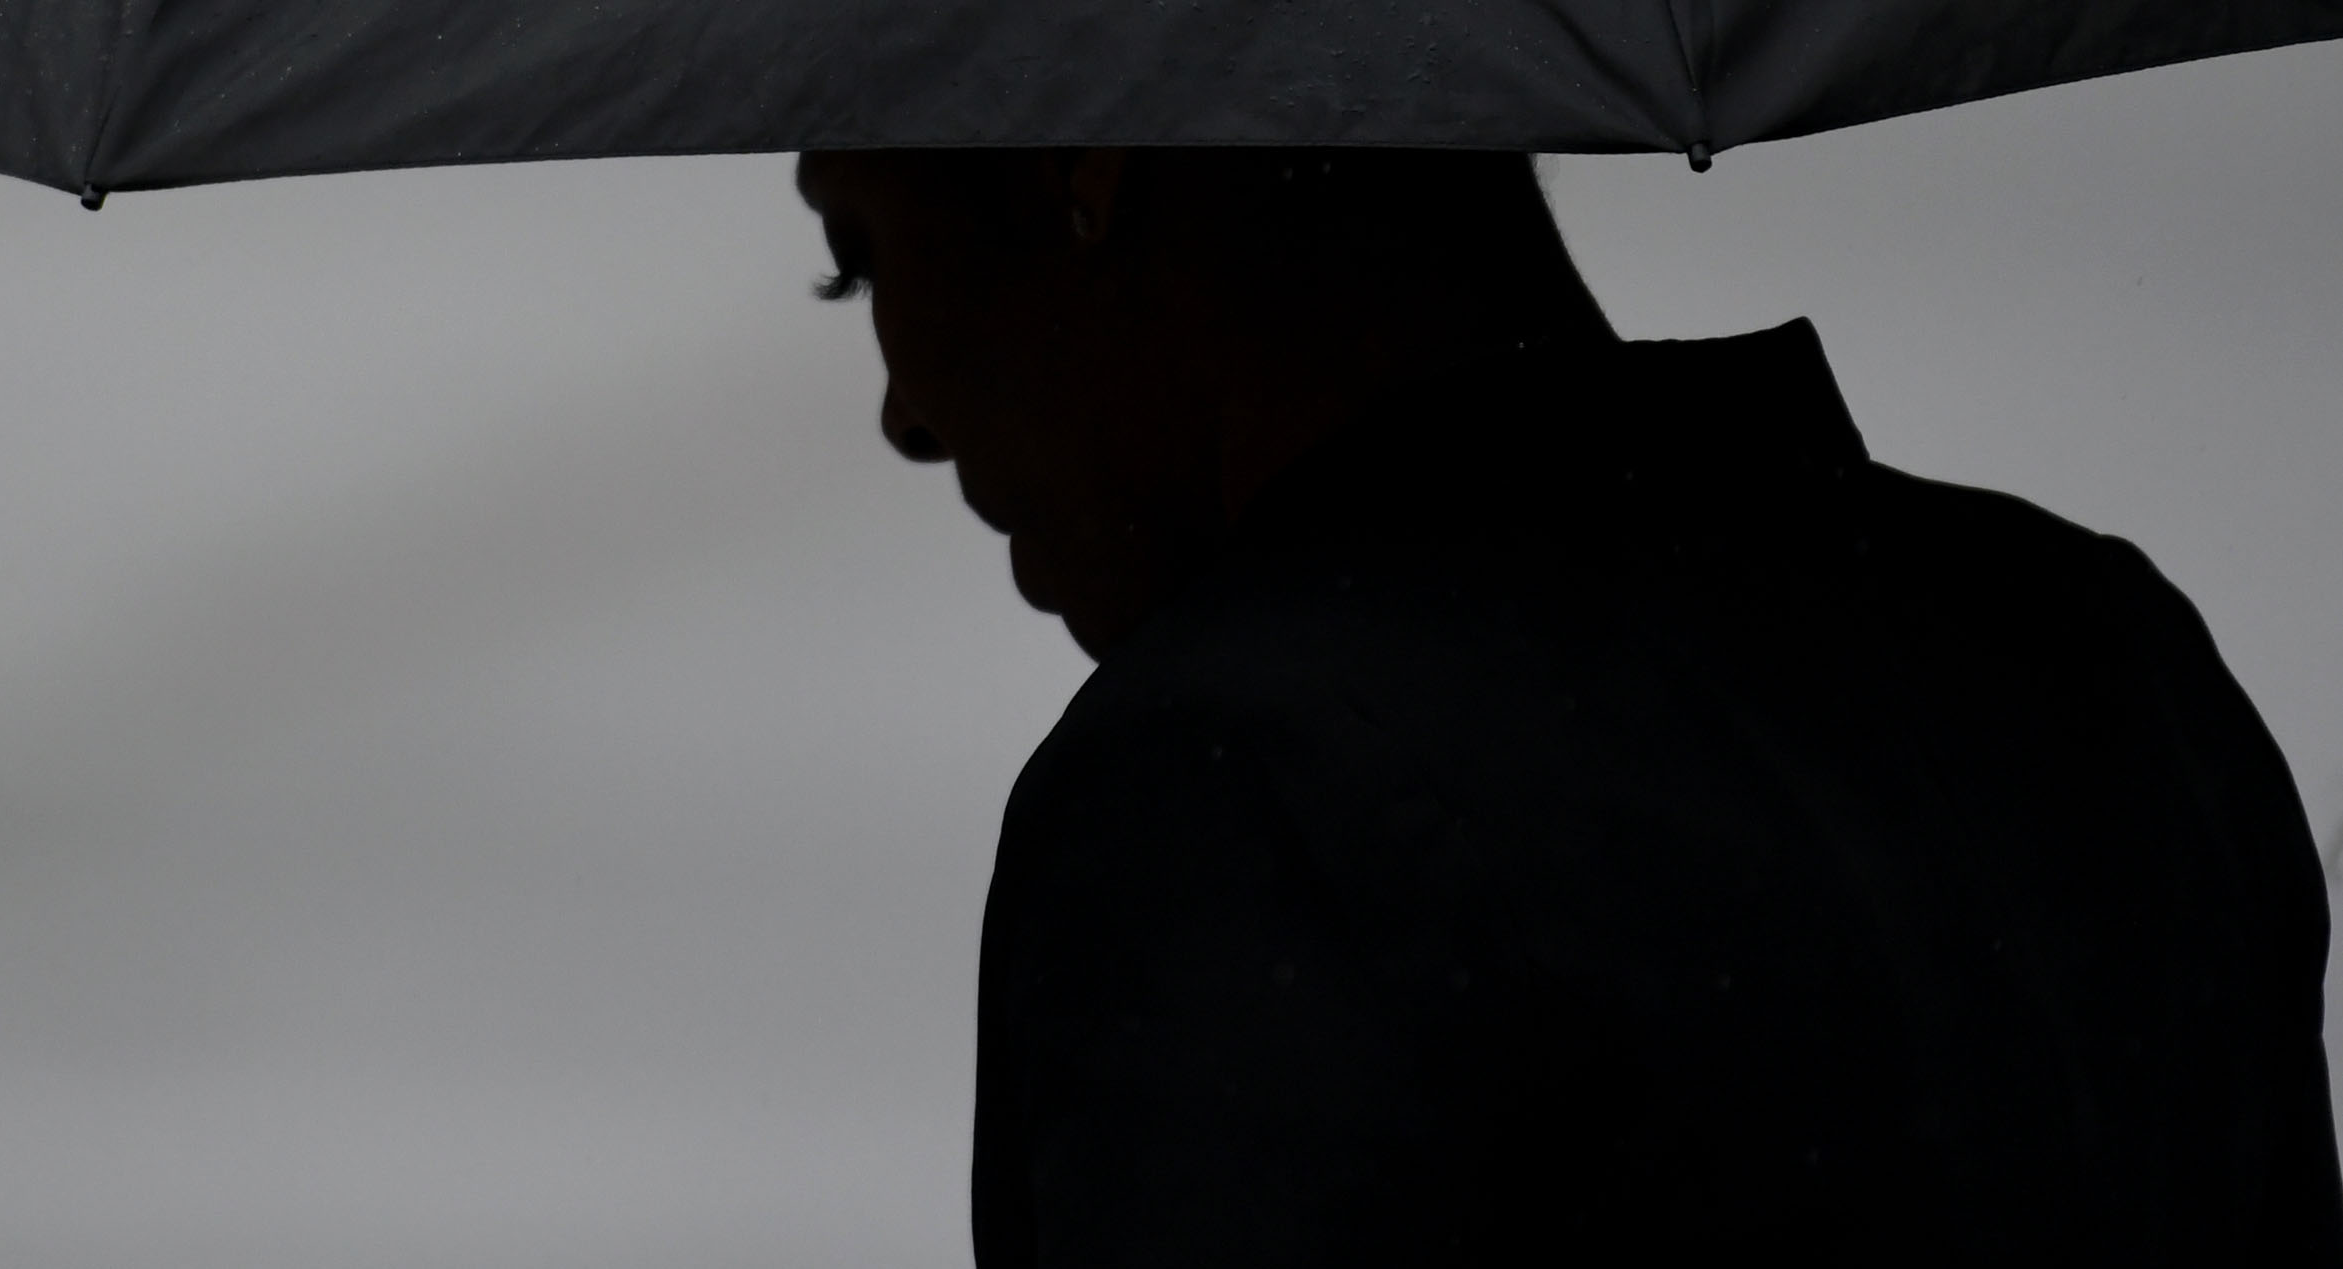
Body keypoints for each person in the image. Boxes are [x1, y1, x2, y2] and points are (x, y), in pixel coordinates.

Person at [795, 144, 2341, 1265]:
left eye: (860, 253)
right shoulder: (2093, 648)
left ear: (1082, 165)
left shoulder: (1238, 784)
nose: (902, 413)